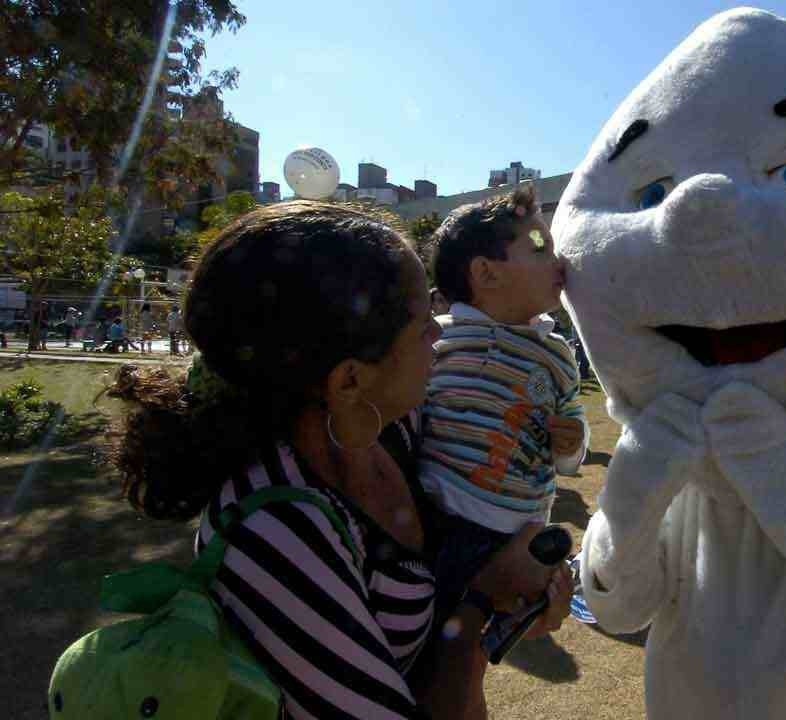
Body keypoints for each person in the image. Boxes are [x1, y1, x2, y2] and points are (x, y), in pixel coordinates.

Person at [111, 201, 571, 719]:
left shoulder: (399, 425)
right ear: (349, 380)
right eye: (423, 326)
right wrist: (483, 599)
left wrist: (513, 599)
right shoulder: (274, 529)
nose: (440, 336)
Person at [421, 185, 588, 696]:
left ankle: (518, 615)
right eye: (539, 247)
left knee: (478, 644)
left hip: (515, 522)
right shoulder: (440, 338)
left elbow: (572, 454)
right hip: (440, 517)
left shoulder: (557, 356)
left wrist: (572, 441)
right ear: (485, 273)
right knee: (445, 662)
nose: (557, 259)